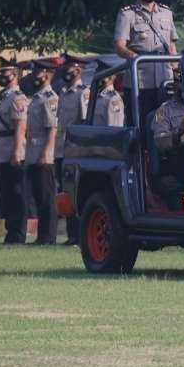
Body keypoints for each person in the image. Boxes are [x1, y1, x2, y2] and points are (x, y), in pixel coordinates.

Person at [113, 0, 179, 120]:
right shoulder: (127, 14)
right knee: (141, 124)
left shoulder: (166, 12)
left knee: (166, 123)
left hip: (165, 80)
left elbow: (172, 46)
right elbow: (119, 45)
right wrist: (133, 56)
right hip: (140, 82)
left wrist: (177, 73)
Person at [25, 59, 60, 245]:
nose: (33, 76)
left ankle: (49, 236)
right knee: (38, 197)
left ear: (47, 74)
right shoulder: (37, 97)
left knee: (47, 198)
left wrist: (46, 154)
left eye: (37, 72)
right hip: (33, 153)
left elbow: (52, 128)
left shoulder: (50, 98)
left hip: (43, 156)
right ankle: (42, 235)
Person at [0, 57, 28, 244]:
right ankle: (11, 231)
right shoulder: (6, 96)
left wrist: (16, 151)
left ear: (14, 75)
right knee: (7, 193)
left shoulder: (17, 97)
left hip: (13, 149)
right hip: (3, 148)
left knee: (16, 193)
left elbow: (20, 127)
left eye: (5, 73)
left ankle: (18, 233)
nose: (1, 76)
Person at [55, 55, 89, 244]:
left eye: (69, 68)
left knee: (75, 192)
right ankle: (71, 235)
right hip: (61, 149)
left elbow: (84, 122)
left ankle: (78, 235)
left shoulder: (82, 93)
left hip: (75, 150)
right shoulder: (64, 92)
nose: (65, 72)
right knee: (65, 193)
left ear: (78, 70)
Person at [151, 70, 184, 210]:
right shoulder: (165, 110)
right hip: (177, 165)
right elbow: (159, 141)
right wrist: (178, 133)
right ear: (175, 85)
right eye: (181, 83)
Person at [91, 58, 126, 127]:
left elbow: (115, 128)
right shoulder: (96, 95)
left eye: (100, 75)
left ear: (110, 77)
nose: (96, 78)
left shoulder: (113, 99)